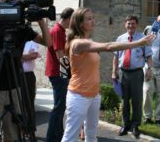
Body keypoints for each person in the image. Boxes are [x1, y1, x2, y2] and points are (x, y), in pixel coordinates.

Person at [61, 8, 154, 142]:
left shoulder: (90, 41)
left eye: (93, 17)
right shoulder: (78, 43)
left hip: (94, 95)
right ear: (80, 24)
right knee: (70, 136)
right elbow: (109, 46)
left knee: (91, 134)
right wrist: (139, 43)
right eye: (89, 18)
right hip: (79, 95)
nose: (93, 20)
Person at [0, 14, 51, 142]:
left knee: (13, 135)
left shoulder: (21, 30)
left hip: (13, 88)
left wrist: (41, 20)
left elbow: (47, 42)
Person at [112, 15, 153, 139]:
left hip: (136, 73)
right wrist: (114, 72)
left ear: (137, 25)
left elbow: (149, 56)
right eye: (129, 23)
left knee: (137, 100)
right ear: (125, 25)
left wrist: (149, 69)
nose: (131, 26)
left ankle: (135, 125)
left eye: (133, 23)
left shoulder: (142, 39)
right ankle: (125, 125)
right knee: (124, 101)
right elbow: (115, 57)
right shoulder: (120, 39)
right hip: (123, 73)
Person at [45, 7, 74, 142]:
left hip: (57, 72)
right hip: (58, 73)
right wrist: (68, 74)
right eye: (73, 20)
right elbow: (60, 54)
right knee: (59, 106)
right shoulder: (57, 31)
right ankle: (51, 138)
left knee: (61, 105)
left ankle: (59, 134)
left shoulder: (60, 30)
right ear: (68, 18)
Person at [22, 40, 40, 131]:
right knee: (18, 102)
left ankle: (29, 128)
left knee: (28, 102)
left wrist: (19, 57)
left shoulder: (31, 42)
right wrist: (26, 56)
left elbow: (34, 55)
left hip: (28, 76)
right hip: (17, 74)